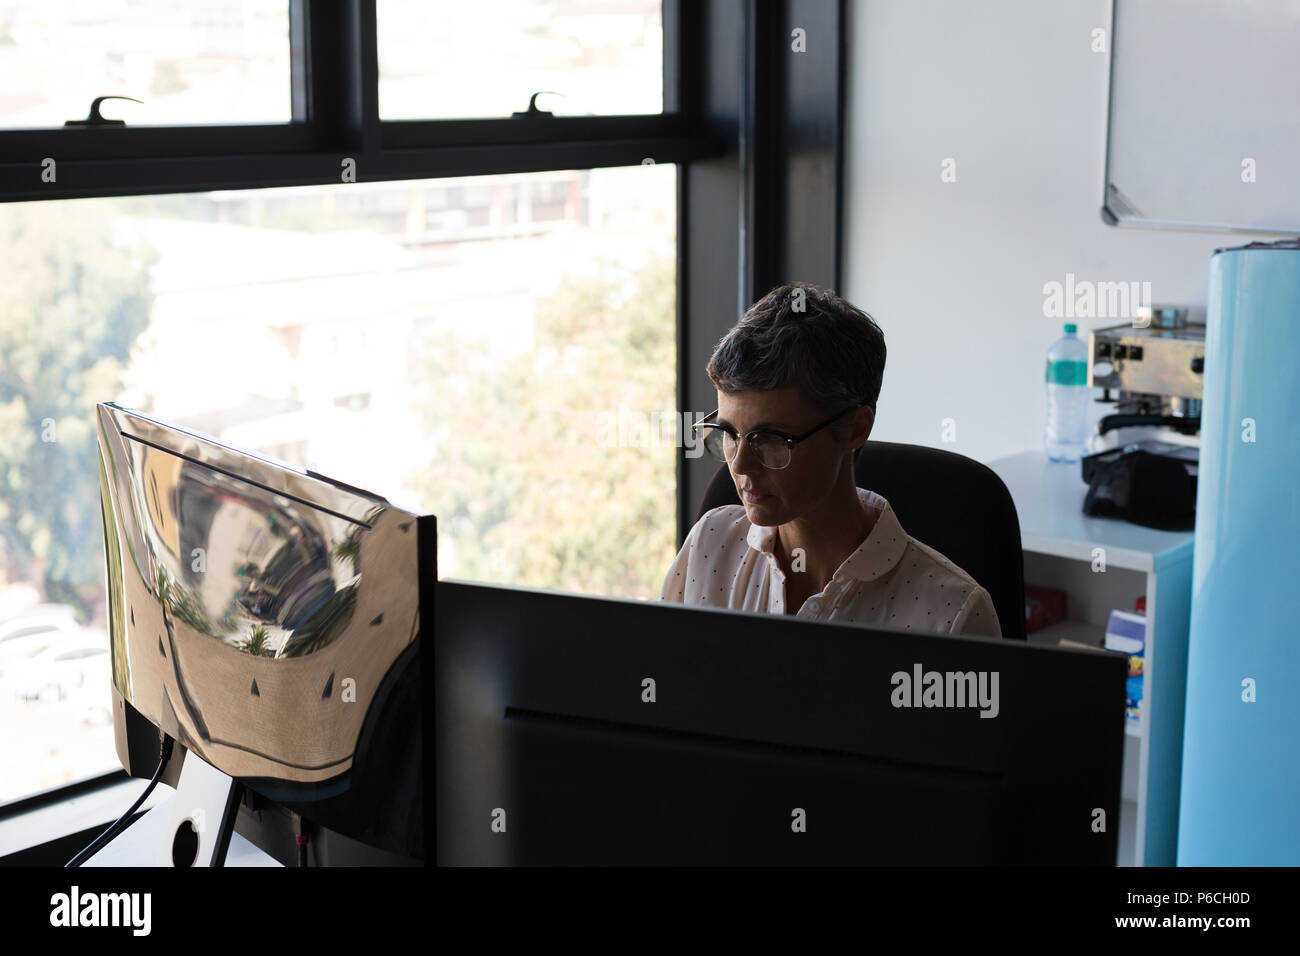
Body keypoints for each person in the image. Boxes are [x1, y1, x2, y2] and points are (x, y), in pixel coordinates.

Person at [660, 283, 1001, 638]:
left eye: (771, 439)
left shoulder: (953, 616)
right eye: (730, 434)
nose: (741, 465)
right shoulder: (710, 544)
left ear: (855, 429)